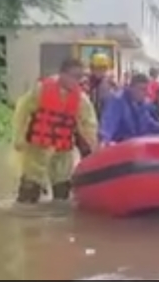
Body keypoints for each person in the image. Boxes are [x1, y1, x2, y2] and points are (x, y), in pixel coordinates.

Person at [12, 59, 98, 204]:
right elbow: (22, 111)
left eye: (79, 77)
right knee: (29, 189)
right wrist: (19, 137)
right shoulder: (40, 90)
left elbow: (89, 123)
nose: (75, 81)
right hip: (37, 147)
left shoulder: (81, 100)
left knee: (62, 192)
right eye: (73, 76)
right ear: (62, 74)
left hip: (62, 148)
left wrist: (92, 145)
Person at [99, 73, 159, 145]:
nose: (146, 93)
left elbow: (149, 124)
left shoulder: (141, 104)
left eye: (146, 89)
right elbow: (108, 126)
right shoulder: (118, 101)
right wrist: (104, 140)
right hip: (120, 148)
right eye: (142, 89)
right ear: (131, 88)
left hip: (136, 148)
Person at [86, 52, 117, 118]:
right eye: (97, 68)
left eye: (103, 68)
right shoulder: (85, 83)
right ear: (92, 68)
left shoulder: (111, 84)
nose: (100, 71)